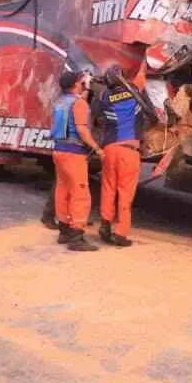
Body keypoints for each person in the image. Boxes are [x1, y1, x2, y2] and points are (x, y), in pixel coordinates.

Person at [50, 71, 103, 251]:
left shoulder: (60, 101)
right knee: (81, 193)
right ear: (75, 85)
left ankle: (64, 231)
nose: (83, 84)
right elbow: (81, 130)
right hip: (74, 154)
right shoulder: (78, 103)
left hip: (59, 150)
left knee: (63, 190)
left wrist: (85, 90)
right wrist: (96, 148)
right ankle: (77, 237)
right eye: (81, 82)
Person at [96, 63, 147, 247]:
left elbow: (97, 116)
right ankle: (120, 234)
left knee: (108, 189)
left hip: (110, 149)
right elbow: (143, 73)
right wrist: (145, 57)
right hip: (129, 151)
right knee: (125, 193)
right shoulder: (135, 91)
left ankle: (105, 225)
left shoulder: (104, 97)